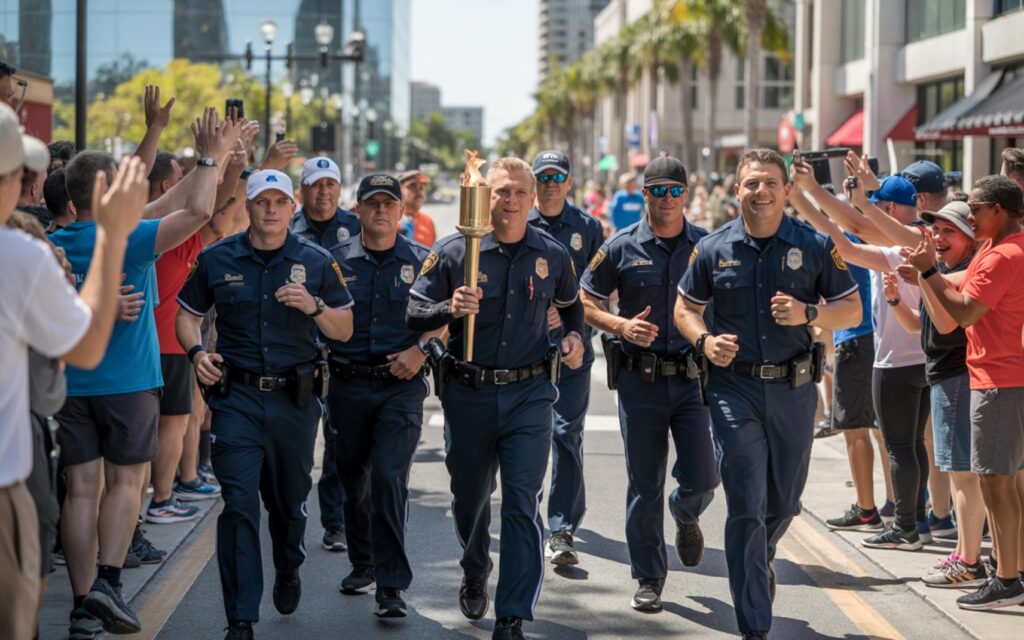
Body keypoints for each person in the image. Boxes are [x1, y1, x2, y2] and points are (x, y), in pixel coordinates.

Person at [49, 109, 236, 636]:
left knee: (81, 489)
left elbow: (170, 202)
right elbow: (198, 209)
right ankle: (110, 582)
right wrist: (208, 156)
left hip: (69, 384)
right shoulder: (130, 238)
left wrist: (168, 140)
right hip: (127, 384)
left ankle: (83, 604)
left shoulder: (53, 244)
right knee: (126, 482)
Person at [676, 149, 861, 639]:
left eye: (770, 183)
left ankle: (761, 556)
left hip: (795, 390)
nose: (760, 191)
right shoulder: (713, 248)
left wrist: (809, 315)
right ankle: (754, 622)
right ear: (737, 191)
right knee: (745, 504)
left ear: (785, 190)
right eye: (751, 183)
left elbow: (852, 311)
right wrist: (704, 340)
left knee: (783, 505)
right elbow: (684, 309)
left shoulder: (815, 245)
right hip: (733, 389)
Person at [406, 157, 585, 640]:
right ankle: (473, 564)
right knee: (470, 497)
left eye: (519, 194)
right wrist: (450, 306)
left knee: (522, 502)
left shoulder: (551, 254)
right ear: (487, 196)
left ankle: (512, 614)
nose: (510, 202)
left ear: (533, 200)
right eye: (501, 192)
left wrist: (574, 339)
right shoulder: (455, 251)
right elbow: (414, 311)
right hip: (469, 393)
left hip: (530, 394)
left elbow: (572, 309)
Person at [175, 169, 354, 640]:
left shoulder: (315, 261)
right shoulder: (217, 258)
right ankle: (240, 617)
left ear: (291, 208)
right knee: (237, 505)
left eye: (279, 202)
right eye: (261, 202)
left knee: (288, 505)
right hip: (236, 400)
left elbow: (344, 328)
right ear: (249, 207)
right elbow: (187, 316)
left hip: (294, 404)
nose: (271, 210)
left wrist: (314, 308)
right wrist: (197, 353)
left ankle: (289, 564)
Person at [0, 101, 149, 640]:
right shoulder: (19, 254)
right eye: (20, 173)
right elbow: (84, 346)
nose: (29, 185)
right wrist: (111, 234)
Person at [580, 156, 719, 611]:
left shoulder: (707, 245)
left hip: (692, 381)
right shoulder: (620, 245)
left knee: (703, 477)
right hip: (640, 381)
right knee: (645, 483)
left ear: (686, 192)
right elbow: (585, 300)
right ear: (643, 194)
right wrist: (619, 326)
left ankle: (685, 511)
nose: (666, 199)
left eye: (674, 190)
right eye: (657, 190)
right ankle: (649, 577)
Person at [796, 170, 940, 547]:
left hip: (895, 363)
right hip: (922, 360)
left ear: (890, 210)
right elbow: (853, 230)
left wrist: (805, 198)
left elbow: (846, 239)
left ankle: (906, 525)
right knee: (911, 445)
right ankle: (917, 518)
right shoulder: (918, 246)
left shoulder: (903, 250)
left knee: (899, 446)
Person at [907, 174, 1024, 610]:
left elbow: (964, 313)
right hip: (1006, 379)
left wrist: (926, 272)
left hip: (998, 381)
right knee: (1009, 484)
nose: (969, 214)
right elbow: (962, 284)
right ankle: (1013, 569)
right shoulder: (1002, 247)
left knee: (996, 483)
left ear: (999, 210)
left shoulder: (1000, 256)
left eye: (975, 208)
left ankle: (1007, 579)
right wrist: (928, 275)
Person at [328, 173, 442, 618]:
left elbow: (448, 315)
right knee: (353, 477)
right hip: (347, 384)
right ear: (357, 210)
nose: (380, 210)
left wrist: (421, 350)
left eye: (388, 203)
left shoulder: (424, 261)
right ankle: (363, 562)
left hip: (401, 386)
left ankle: (391, 584)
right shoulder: (333, 261)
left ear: (400, 211)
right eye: (371, 203)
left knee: (389, 477)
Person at [884, 202, 988, 588]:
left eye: (950, 232)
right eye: (937, 231)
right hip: (943, 377)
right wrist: (897, 297)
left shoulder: (959, 275)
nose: (940, 239)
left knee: (964, 475)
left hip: (958, 377)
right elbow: (918, 326)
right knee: (960, 474)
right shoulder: (942, 273)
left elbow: (946, 323)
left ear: (971, 238)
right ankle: (964, 554)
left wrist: (926, 274)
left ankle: (969, 561)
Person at [524, 150, 604, 566]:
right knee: (532, 438)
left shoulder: (588, 228)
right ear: (534, 182)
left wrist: (574, 311)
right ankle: (524, 515)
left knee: (566, 433)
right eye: (544, 177)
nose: (551, 183)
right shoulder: (519, 218)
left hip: (573, 350)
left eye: (558, 176)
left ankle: (562, 528)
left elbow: (598, 287)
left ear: (569, 182)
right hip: (526, 352)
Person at [288, 155, 358, 551]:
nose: (324, 192)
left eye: (330, 184)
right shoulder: (285, 226)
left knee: (338, 441)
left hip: (340, 351)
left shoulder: (354, 228)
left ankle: (335, 522)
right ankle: (291, 513)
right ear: (303, 191)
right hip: (295, 352)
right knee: (297, 446)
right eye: (316, 185)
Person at [397, 169, 437, 246]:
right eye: (412, 186)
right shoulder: (391, 220)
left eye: (422, 187)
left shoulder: (428, 221)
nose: (419, 191)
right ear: (399, 191)